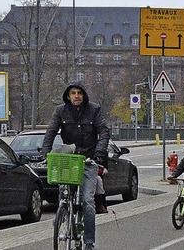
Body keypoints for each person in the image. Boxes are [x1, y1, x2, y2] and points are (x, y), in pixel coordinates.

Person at [42, 83, 109, 250]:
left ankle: (89, 242)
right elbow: (51, 132)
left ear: (84, 95)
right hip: (69, 160)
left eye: (79, 93)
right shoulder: (60, 111)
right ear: (68, 96)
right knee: (63, 194)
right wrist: (45, 153)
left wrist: (99, 152)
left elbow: (104, 131)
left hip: (89, 159)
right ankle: (62, 215)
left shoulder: (94, 110)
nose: (76, 96)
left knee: (87, 200)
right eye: (73, 93)